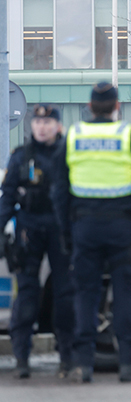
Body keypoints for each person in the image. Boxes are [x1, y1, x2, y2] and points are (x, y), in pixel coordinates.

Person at [51, 82, 131, 383]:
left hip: (84, 226)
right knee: (125, 291)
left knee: (86, 293)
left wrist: (66, 231)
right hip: (120, 226)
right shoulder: (127, 136)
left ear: (89, 106)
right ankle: (127, 364)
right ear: (116, 107)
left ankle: (83, 365)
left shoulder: (73, 136)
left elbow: (59, 191)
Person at [0, 105, 75, 379]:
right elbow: (7, 197)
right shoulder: (21, 157)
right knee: (28, 295)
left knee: (65, 295)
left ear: (57, 125)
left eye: (48, 121)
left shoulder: (68, 155)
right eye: (38, 121)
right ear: (32, 126)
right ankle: (22, 357)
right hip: (28, 230)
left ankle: (67, 356)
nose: (42, 126)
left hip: (60, 230)